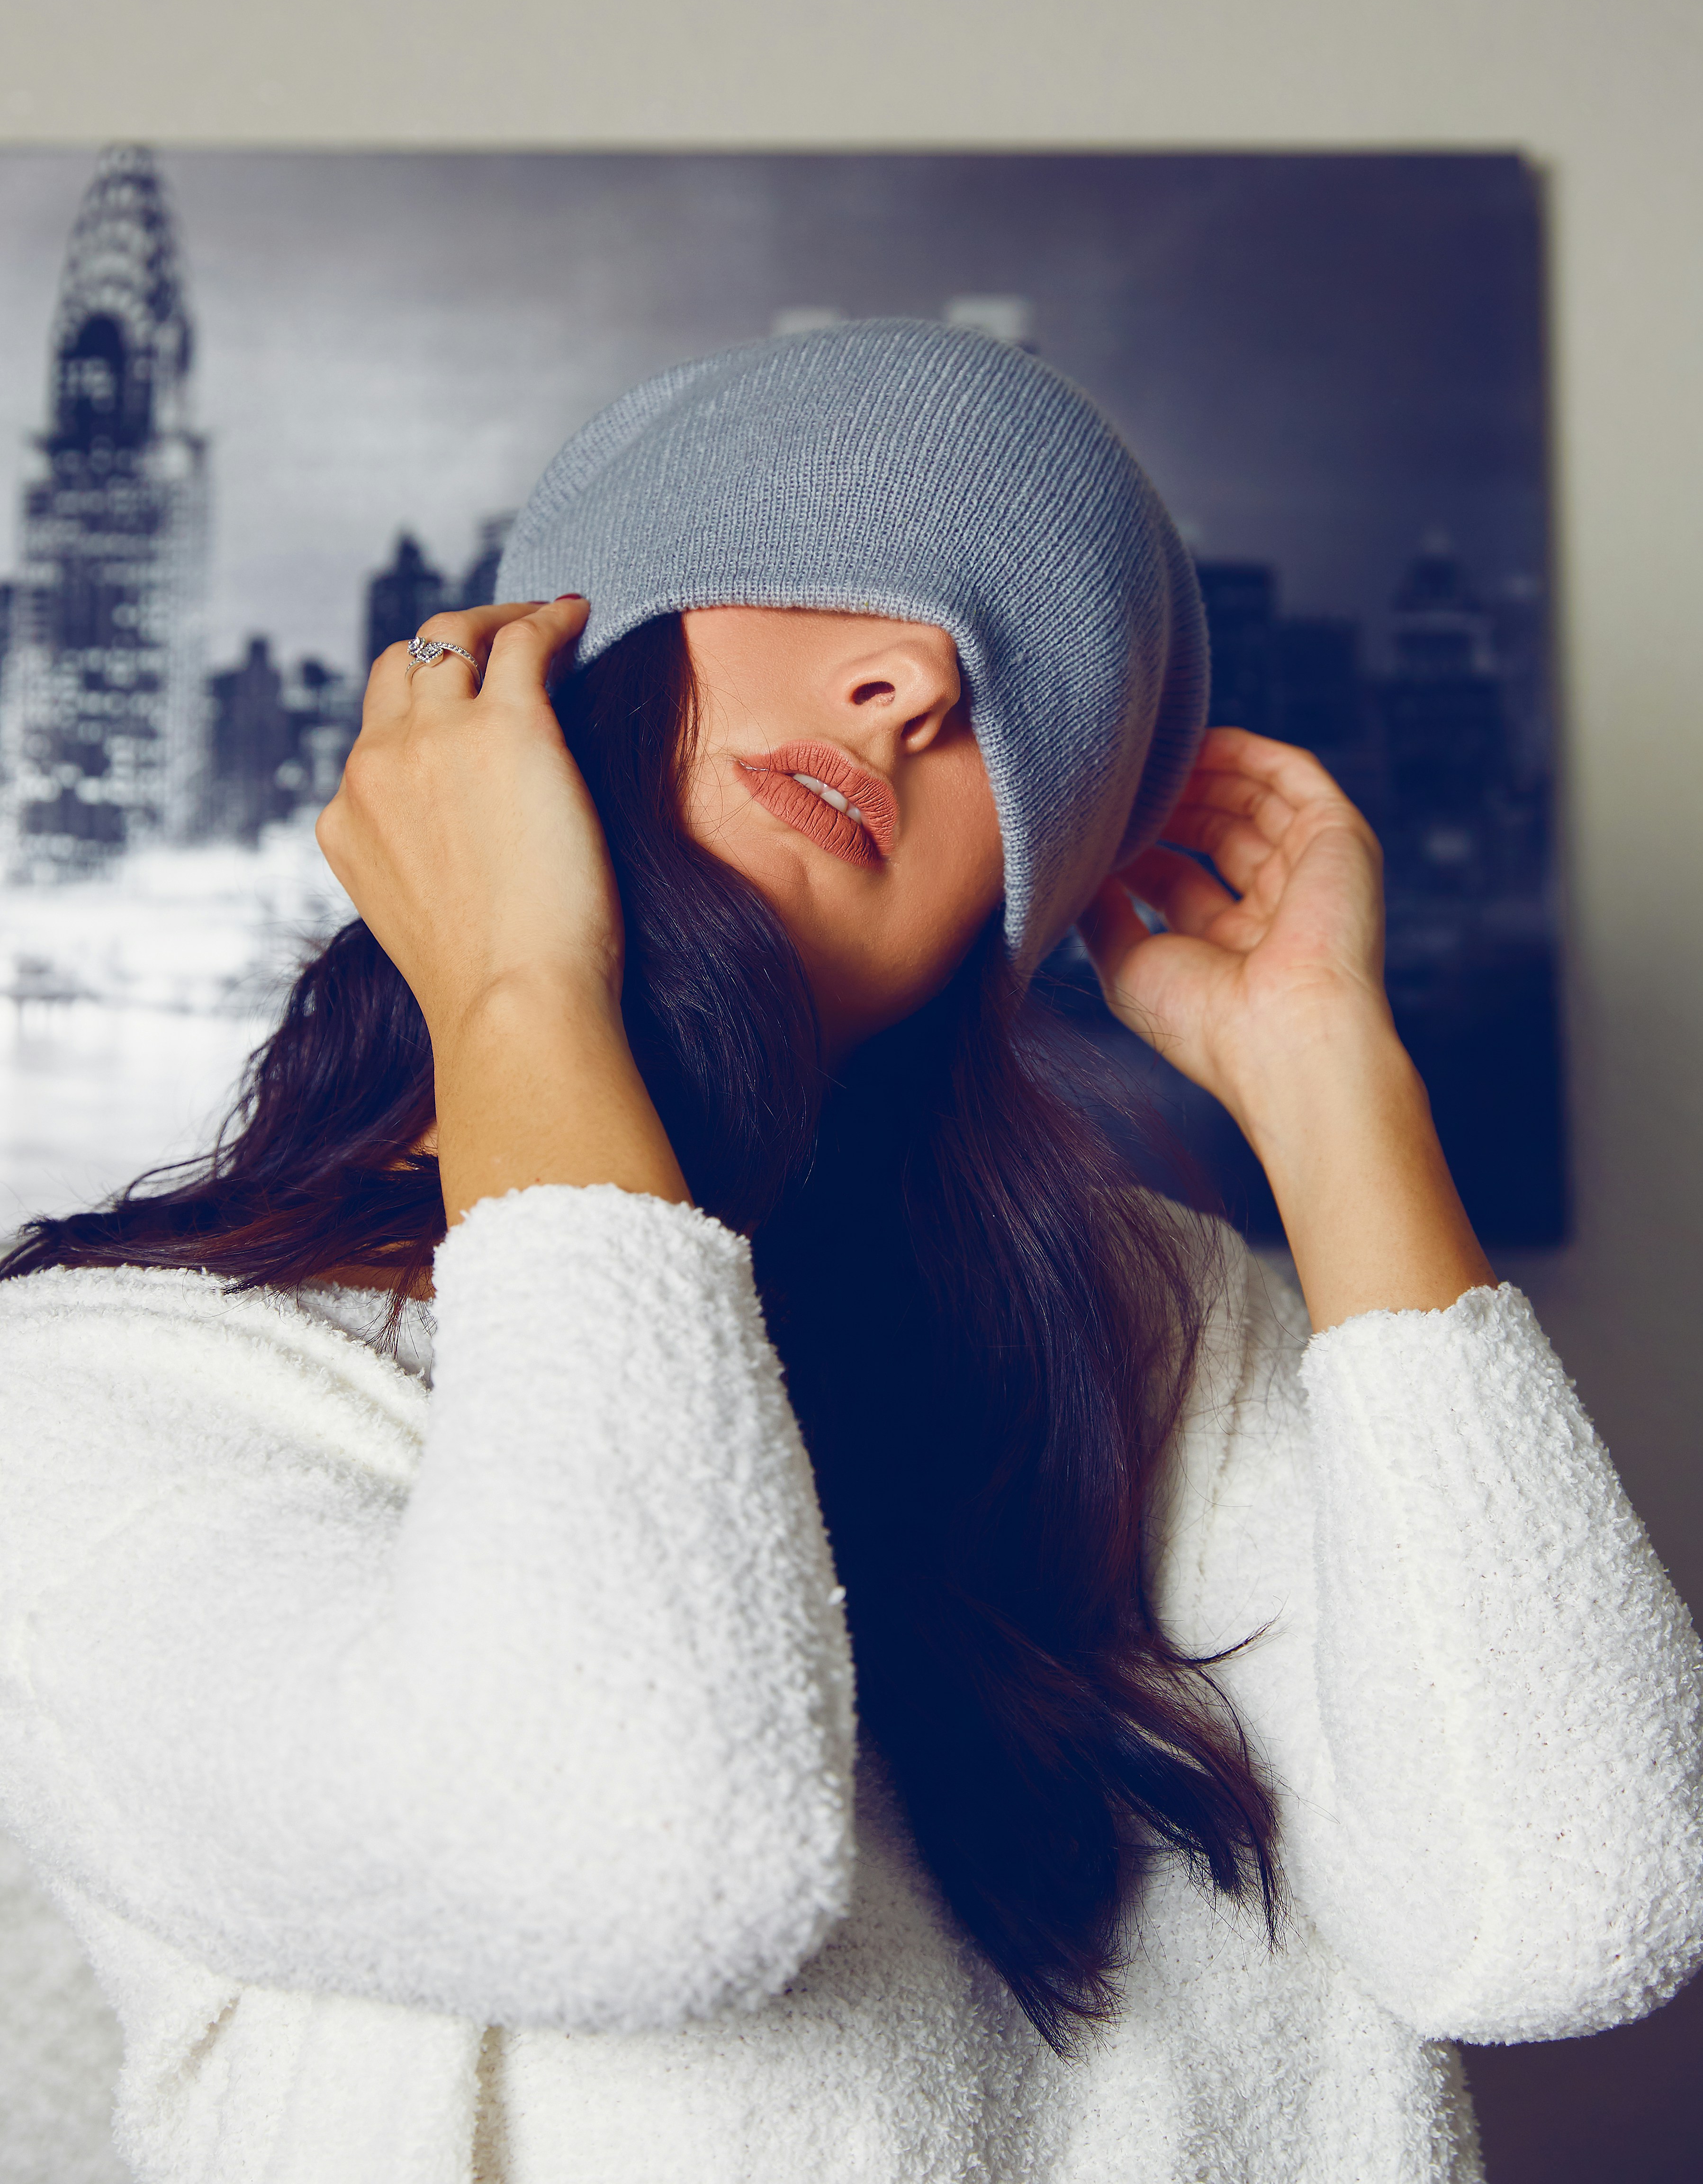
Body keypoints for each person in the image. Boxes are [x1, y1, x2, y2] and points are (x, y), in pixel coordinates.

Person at [0, 319, 1698, 2184]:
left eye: (1031, 703)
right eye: (837, 547)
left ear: (1020, 913)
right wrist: (515, 987)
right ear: (536, 653)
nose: (911, 684)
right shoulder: (105, 1383)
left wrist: (1326, 1081)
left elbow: (1565, 1903)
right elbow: (637, 1855)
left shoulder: (1149, 1333)